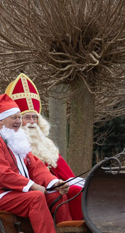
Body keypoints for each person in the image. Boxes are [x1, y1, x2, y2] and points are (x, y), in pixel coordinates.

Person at [0, 93, 71, 233]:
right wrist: (32, 186)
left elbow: (36, 167)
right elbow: (3, 175)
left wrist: (54, 183)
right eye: (13, 118)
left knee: (57, 194)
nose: (17, 122)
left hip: (17, 192)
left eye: (18, 118)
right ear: (0, 120)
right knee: (36, 197)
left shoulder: (16, 139)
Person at [6, 73, 84, 219]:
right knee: (71, 192)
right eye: (27, 117)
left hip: (57, 184)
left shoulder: (47, 143)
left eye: (34, 117)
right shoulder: (13, 144)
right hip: (36, 189)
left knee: (80, 189)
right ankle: (68, 231)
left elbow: (65, 172)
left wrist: (69, 182)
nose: (31, 122)